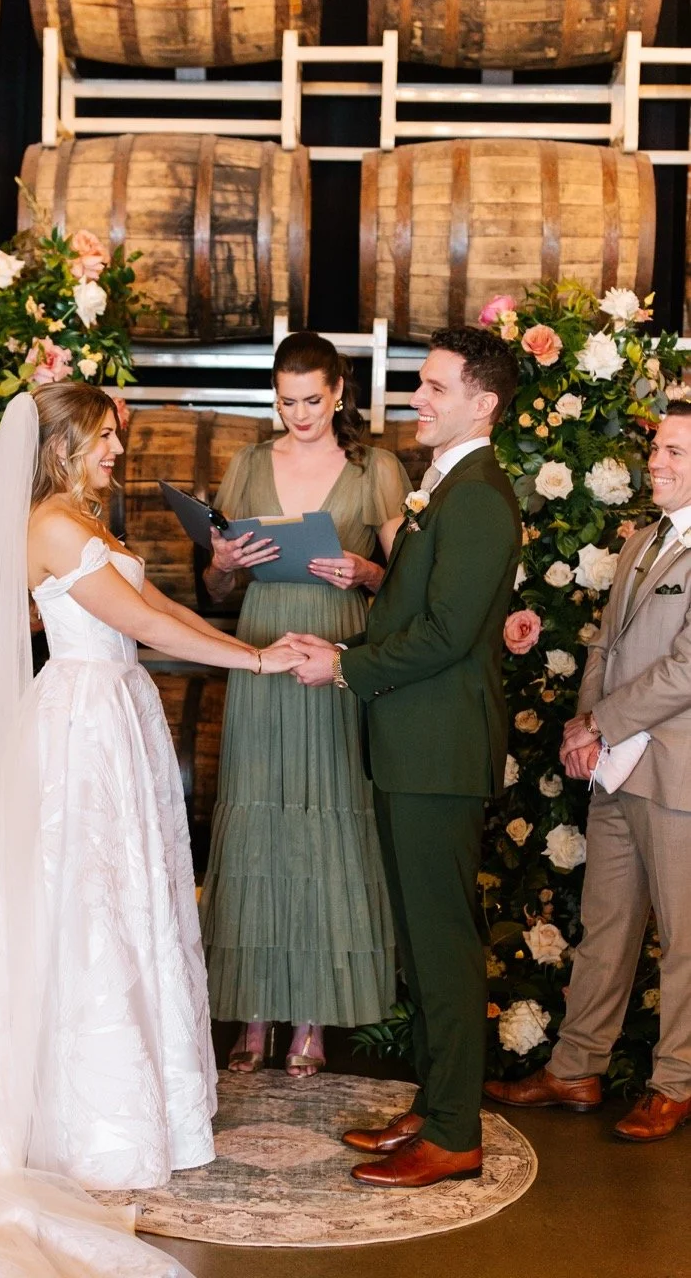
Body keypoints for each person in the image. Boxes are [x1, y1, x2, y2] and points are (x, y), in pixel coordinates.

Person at [0, 383, 302, 1278]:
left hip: (115, 712)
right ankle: (81, 1120)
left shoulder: (84, 514)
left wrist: (245, 645)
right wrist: (254, 659)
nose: (117, 451)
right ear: (61, 447)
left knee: (130, 900)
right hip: (81, 722)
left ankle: (145, 1105)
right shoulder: (52, 523)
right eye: (104, 438)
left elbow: (162, 611)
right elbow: (136, 621)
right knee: (83, 907)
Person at [291, 327, 521, 1186]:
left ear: (481, 402)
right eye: (418, 385)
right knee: (421, 945)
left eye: (432, 387)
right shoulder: (445, 488)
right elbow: (414, 606)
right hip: (410, 746)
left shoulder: (477, 498)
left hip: (438, 749)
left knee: (442, 941)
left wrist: (344, 665)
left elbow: (447, 634)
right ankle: (435, 1100)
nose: (416, 399)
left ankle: (456, 1133)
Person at [198, 331, 410, 1077]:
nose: (298, 414)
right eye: (286, 401)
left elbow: (408, 582)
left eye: (311, 400)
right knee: (259, 819)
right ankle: (252, 1019)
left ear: (339, 393)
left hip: (337, 649)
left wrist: (364, 570)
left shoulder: (374, 467)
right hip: (261, 651)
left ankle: (313, 1021)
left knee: (329, 822)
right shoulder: (249, 463)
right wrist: (221, 564)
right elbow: (218, 591)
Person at [484, 401, 691, 1142]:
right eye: (656, 448)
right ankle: (576, 1067)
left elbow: (686, 668)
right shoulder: (641, 541)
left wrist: (601, 723)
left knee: (683, 937)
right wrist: (582, 726)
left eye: (673, 451)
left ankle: (675, 1081)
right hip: (614, 767)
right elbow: (603, 642)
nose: (656, 462)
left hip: (677, 777)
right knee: (605, 927)